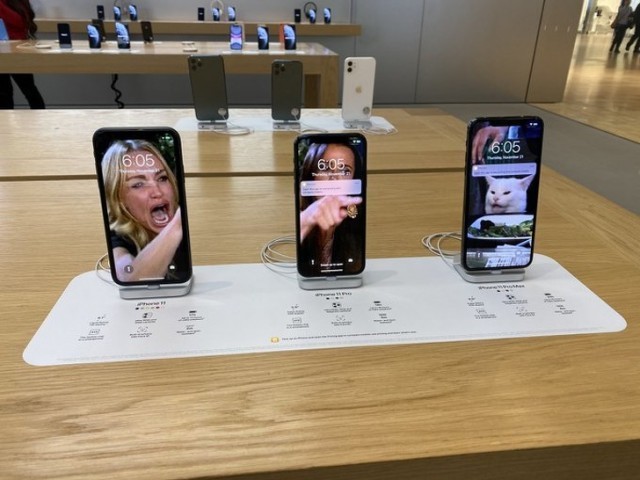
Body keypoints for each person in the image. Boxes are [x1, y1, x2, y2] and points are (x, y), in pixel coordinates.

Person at [101, 139, 185, 282]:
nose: (157, 192)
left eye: (162, 178)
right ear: (119, 199)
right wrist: (177, 226)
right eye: (138, 184)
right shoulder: (118, 239)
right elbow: (129, 276)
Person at [298, 142, 364, 275]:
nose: (334, 178)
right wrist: (307, 218)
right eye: (325, 168)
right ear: (311, 174)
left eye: (345, 171)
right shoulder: (301, 218)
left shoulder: (358, 224)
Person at [0, 0, 45, 109]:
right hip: (5, 51)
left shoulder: (18, 3)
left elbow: (18, 22)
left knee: (28, 90)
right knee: (5, 93)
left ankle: (39, 116)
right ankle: (6, 119)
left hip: (16, 53)